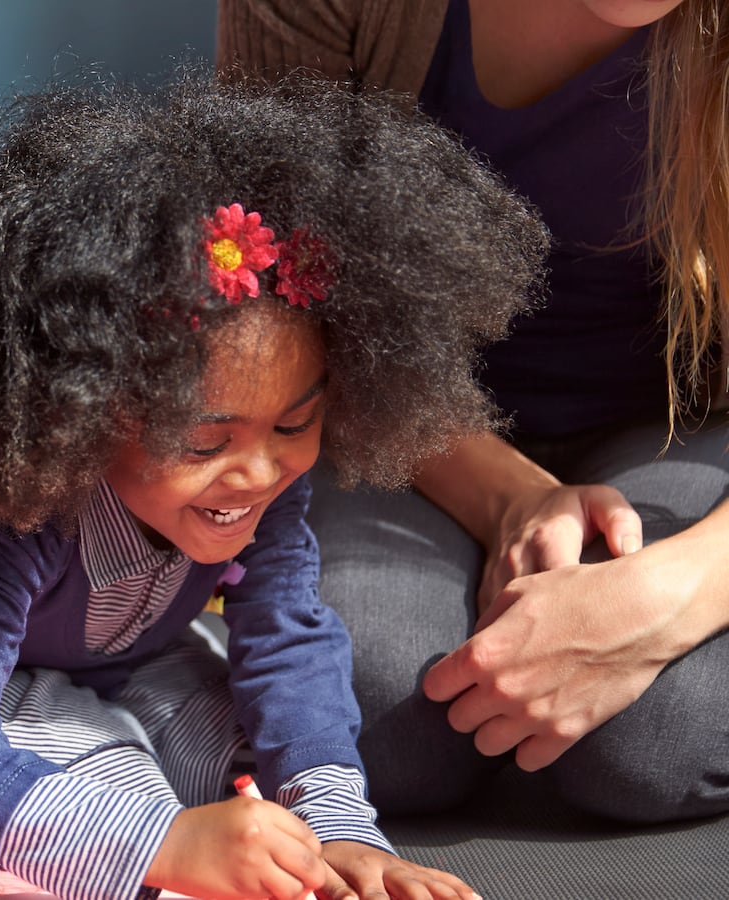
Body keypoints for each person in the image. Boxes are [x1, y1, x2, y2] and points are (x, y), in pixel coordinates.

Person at [0, 71, 544, 900]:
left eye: (294, 425)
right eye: (204, 439)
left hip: (92, 673)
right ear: (86, 406)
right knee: (112, 769)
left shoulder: (265, 489)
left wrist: (339, 833)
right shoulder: (0, 512)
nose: (257, 471)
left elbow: (287, 645)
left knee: (248, 733)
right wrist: (165, 842)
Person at [219, 0, 729, 823]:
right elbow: (285, 295)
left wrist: (671, 593)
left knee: (649, 740)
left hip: (689, 424)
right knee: (375, 712)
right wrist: (511, 498)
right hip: (392, 420)